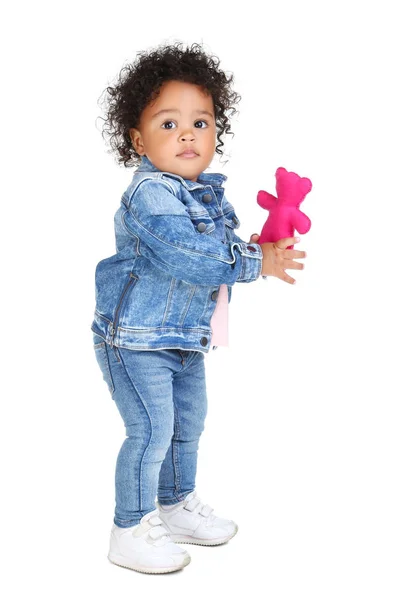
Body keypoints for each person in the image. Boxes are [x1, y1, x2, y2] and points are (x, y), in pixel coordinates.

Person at [91, 41, 306, 575]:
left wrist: (257, 246)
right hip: (136, 341)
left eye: (201, 122)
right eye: (168, 124)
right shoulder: (151, 195)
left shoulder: (204, 195)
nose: (187, 134)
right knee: (150, 431)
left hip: (185, 339)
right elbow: (195, 257)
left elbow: (219, 255)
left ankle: (176, 504)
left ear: (216, 133)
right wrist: (256, 259)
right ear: (137, 140)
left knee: (189, 425)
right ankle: (129, 528)